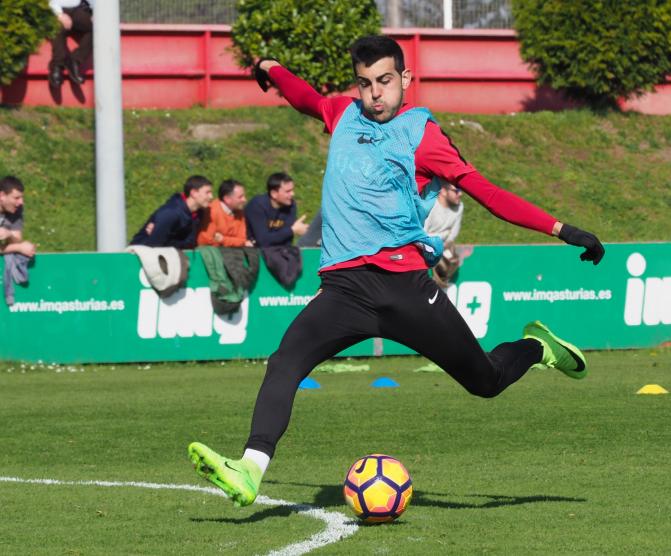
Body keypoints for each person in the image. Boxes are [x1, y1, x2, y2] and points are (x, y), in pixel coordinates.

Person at [188, 35, 605, 507]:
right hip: (344, 290)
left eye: (384, 81)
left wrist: (560, 228)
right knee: (286, 361)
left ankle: (535, 346)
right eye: (365, 84)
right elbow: (305, 96)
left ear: (405, 79)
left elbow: (486, 192)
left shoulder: (422, 135)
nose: (374, 94)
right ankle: (250, 469)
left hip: (404, 287)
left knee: (486, 382)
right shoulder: (343, 115)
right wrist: (271, 66)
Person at [129, 175, 213, 248]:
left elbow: (190, 243)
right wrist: (161, 235)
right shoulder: (171, 213)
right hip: (137, 258)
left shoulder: (198, 213)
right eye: (207, 192)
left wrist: (167, 238)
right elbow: (154, 245)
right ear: (194, 193)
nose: (211, 196)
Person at [244, 172, 308, 247]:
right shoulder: (257, 206)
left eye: (292, 190)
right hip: (253, 251)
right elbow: (263, 240)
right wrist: (292, 230)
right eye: (288, 191)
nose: (292, 194)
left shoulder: (290, 205)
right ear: (274, 194)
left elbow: (287, 240)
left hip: (278, 251)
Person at [424, 181, 464, 287]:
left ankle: (441, 282)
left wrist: (438, 239)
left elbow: (453, 234)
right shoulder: (430, 205)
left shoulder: (459, 206)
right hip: (424, 248)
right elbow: (422, 235)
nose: (460, 194)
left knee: (452, 259)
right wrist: (443, 235)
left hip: (443, 246)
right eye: (456, 191)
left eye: (461, 190)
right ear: (443, 191)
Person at [48, 0, 94, 88]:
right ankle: (57, 65)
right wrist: (59, 14)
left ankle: (74, 61)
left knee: (96, 28)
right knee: (57, 29)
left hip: (76, 9)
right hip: (54, 9)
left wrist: (95, 11)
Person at [197, 179, 253, 247]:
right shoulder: (212, 212)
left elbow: (242, 240)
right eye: (240, 197)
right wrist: (234, 241)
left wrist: (223, 239)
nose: (244, 200)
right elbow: (204, 240)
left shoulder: (240, 211)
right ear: (227, 199)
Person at [0, 176, 35, 258]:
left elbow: (16, 240)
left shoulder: (16, 208)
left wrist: (9, 235)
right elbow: (17, 246)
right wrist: (19, 247)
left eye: (21, 197)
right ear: (2, 196)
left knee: (15, 257)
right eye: (16, 198)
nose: (21, 202)